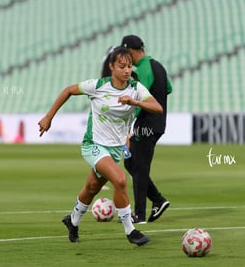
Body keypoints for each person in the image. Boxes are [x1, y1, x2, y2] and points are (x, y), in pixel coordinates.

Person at [38, 46, 162, 246]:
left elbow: (157, 107)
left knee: (92, 187)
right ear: (112, 66)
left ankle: (73, 221)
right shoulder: (98, 86)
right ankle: (131, 231)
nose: (126, 70)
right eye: (122, 66)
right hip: (93, 145)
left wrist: (135, 102)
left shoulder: (135, 89)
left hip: (114, 150)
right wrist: (48, 117)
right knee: (120, 180)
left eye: (129, 66)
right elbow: (69, 90)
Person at [121, 35, 172, 224]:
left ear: (130, 51)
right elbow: (168, 88)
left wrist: (129, 128)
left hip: (146, 124)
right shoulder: (158, 66)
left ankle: (139, 215)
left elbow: (140, 96)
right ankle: (158, 200)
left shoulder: (143, 69)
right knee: (131, 163)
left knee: (139, 167)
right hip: (158, 123)